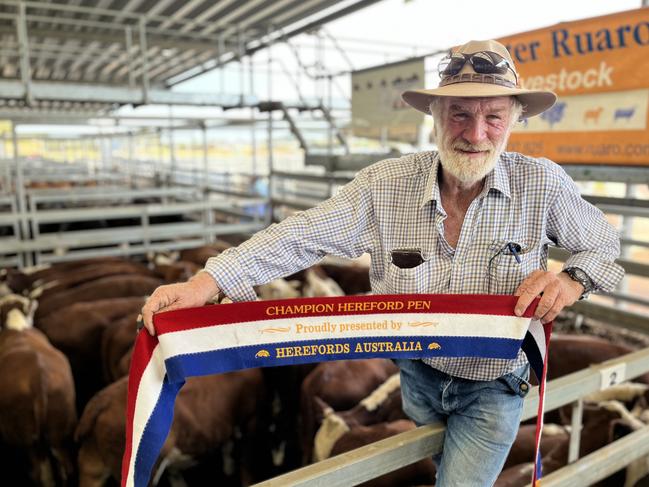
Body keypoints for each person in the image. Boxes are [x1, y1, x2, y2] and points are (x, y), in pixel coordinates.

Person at [141, 39, 624, 486]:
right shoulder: (386, 184)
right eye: (459, 114)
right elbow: (301, 235)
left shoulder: (542, 185)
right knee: (432, 459)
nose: (476, 134)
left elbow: (604, 245)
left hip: (493, 383)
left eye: (494, 117)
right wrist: (208, 281)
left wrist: (572, 280)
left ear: (516, 119)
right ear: (434, 114)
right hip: (415, 375)